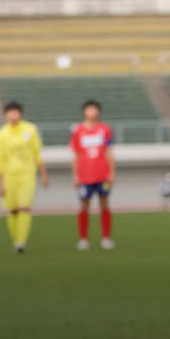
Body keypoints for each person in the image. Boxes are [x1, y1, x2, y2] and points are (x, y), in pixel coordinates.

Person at [0, 101, 48, 253]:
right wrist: (0, 183)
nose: (13, 115)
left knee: (24, 207)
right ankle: (15, 239)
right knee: (12, 210)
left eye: (15, 111)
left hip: (27, 175)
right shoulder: (1, 134)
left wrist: (44, 174)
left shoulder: (30, 129)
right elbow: (1, 160)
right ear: (6, 115)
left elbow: (37, 153)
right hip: (9, 176)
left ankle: (21, 242)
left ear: (20, 113)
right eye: (10, 112)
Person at [70, 99, 116, 250]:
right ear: (84, 112)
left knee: (104, 204)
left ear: (98, 112)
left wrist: (112, 173)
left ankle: (106, 238)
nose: (92, 112)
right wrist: (75, 175)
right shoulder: (78, 131)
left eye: (94, 110)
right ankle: (83, 239)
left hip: (102, 174)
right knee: (84, 205)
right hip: (85, 175)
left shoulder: (105, 129)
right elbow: (75, 155)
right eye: (89, 110)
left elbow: (109, 153)